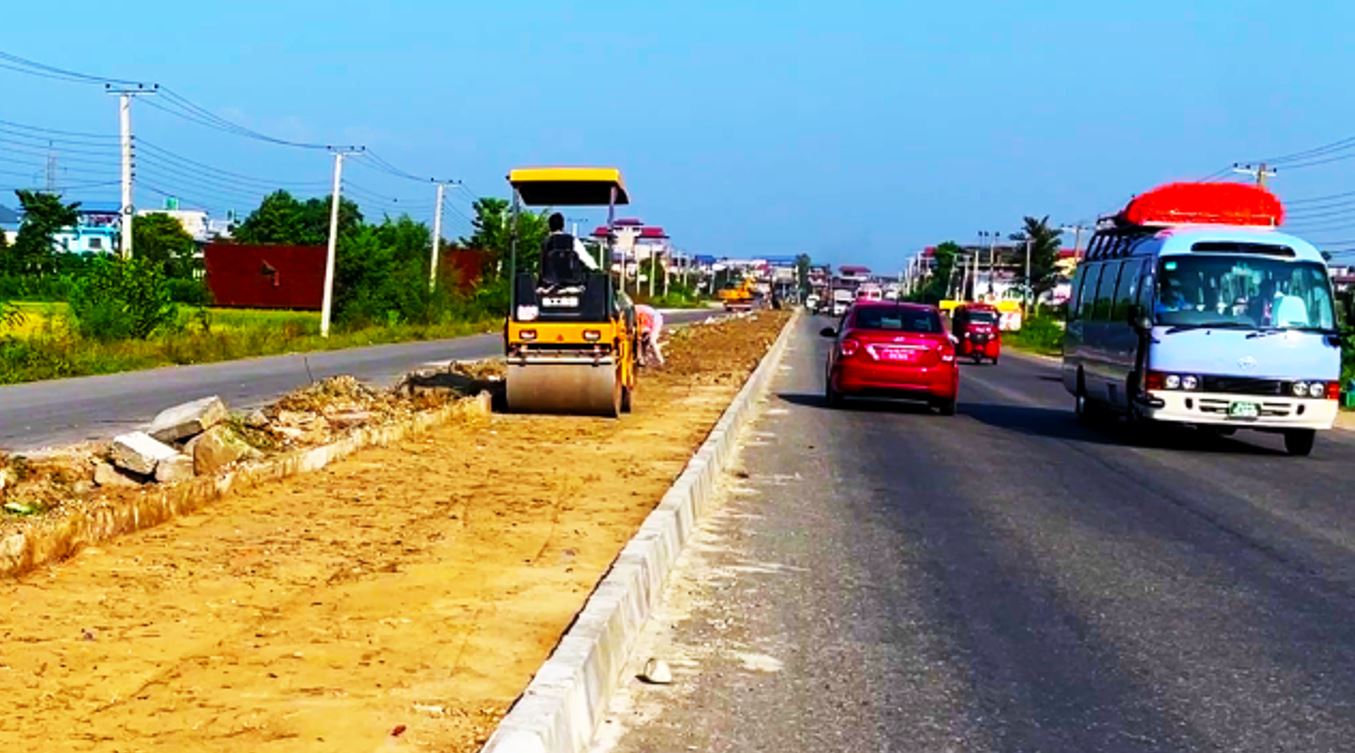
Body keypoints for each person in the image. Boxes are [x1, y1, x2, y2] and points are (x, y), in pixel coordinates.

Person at [539, 213, 599, 287]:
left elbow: (542, 265)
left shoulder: (545, 243)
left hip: (549, 282)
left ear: (549, 226)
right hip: (571, 282)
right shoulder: (572, 240)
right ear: (563, 226)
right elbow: (586, 258)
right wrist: (596, 269)